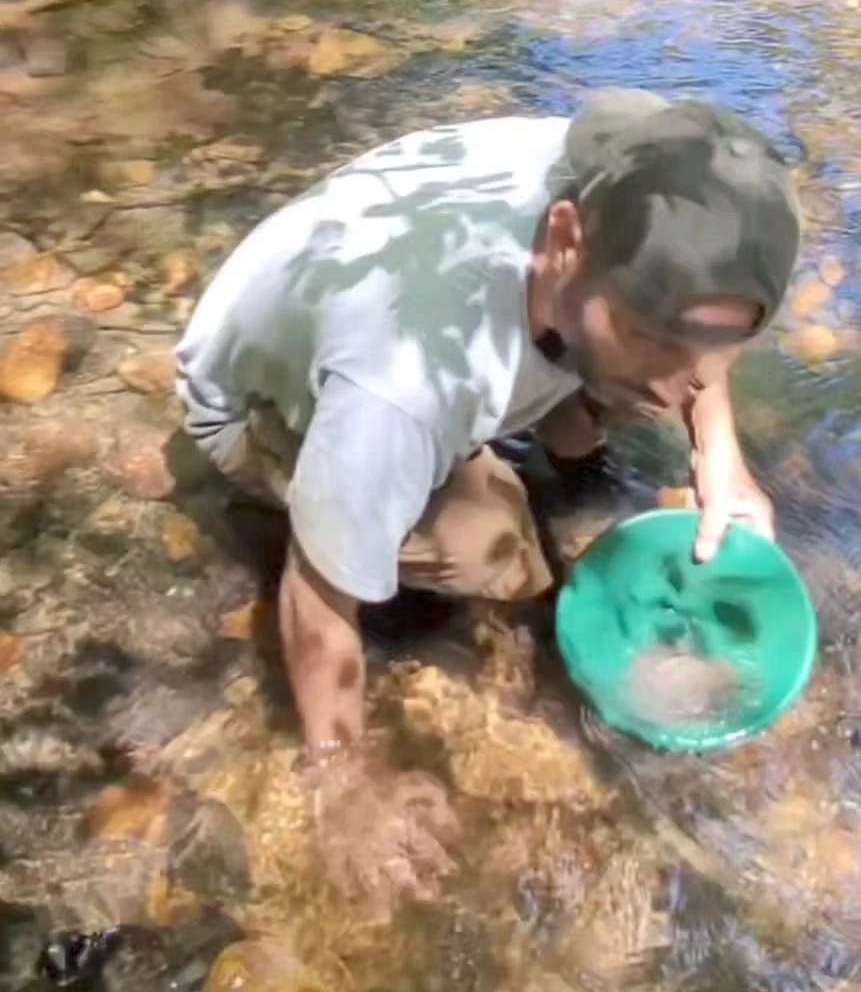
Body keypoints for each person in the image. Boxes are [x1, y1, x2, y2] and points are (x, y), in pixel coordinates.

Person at [176, 89, 799, 870]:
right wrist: (346, 784)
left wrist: (720, 456)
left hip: (369, 269)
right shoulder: (401, 390)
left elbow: (703, 322)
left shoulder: (656, 170)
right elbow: (318, 595)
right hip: (254, 395)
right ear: (565, 237)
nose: (680, 388)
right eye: (650, 335)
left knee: (613, 388)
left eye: (707, 346)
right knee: (495, 542)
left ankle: (574, 415)